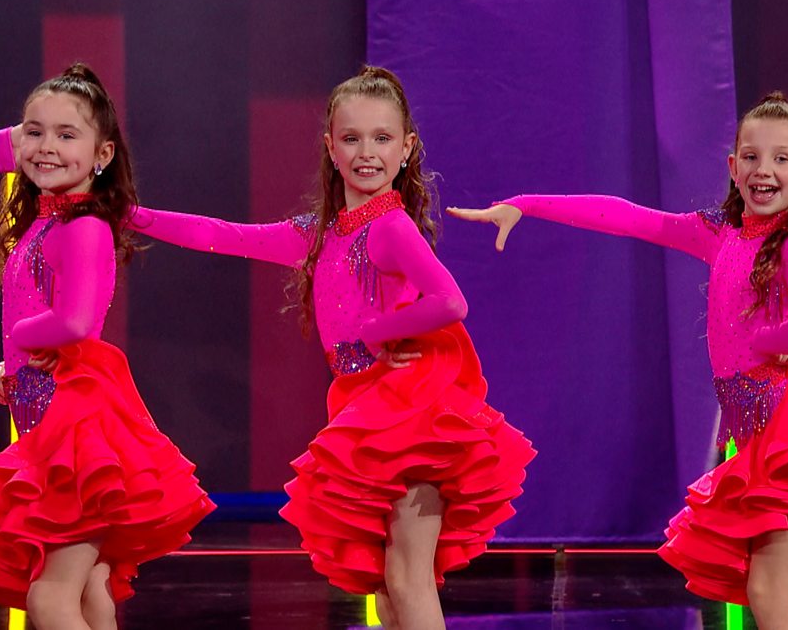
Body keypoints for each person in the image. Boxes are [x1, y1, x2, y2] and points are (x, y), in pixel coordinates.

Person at [450, 92, 788, 630]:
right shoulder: (719, 233)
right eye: (751, 156)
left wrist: (765, 340)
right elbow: (627, 217)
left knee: (768, 588)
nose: (763, 170)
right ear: (733, 167)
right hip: (769, 431)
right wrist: (528, 205)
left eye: (781, 158)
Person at [126, 65, 536, 629]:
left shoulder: (391, 227)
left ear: (406, 148)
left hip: (413, 410)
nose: (367, 153)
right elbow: (223, 234)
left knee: (408, 579)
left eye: (382, 138)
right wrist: (130, 215)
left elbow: (450, 301)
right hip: (367, 405)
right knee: (389, 585)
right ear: (330, 147)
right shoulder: (319, 234)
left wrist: (376, 332)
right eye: (352, 138)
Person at [0, 64, 215, 630]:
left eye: (66, 135)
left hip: (74, 432)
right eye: (34, 132)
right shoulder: (48, 221)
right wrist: (10, 364)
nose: (46, 146)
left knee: (49, 598)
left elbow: (75, 321)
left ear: (102, 154)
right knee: (91, 586)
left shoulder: (85, 226)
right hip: (47, 416)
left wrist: (23, 341)